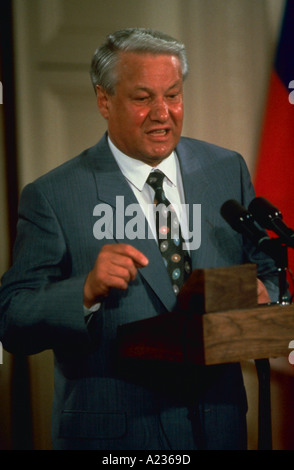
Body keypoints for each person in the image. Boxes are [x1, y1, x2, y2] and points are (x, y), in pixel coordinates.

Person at [0, 28, 279, 450]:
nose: (162, 113)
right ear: (104, 101)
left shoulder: (225, 169)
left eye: (173, 94)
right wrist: (85, 292)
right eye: (143, 98)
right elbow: (12, 319)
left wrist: (265, 294)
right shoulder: (54, 196)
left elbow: (269, 268)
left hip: (219, 428)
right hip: (118, 439)